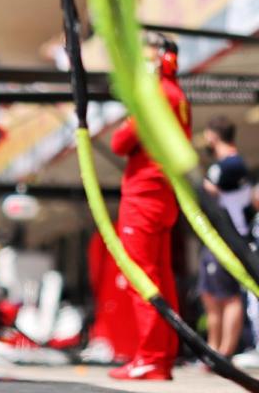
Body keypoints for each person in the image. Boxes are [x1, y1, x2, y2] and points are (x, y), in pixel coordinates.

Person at [107, 35, 191, 381]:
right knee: (161, 278)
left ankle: (151, 358)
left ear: (161, 59)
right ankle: (162, 357)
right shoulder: (177, 94)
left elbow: (119, 142)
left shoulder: (156, 94)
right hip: (164, 195)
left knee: (143, 278)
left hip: (144, 194)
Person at [196, 116, 250, 362]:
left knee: (228, 296)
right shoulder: (224, 165)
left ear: (214, 135)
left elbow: (207, 191)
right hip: (215, 238)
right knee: (210, 295)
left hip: (229, 236)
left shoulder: (230, 164)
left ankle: (224, 352)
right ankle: (214, 350)